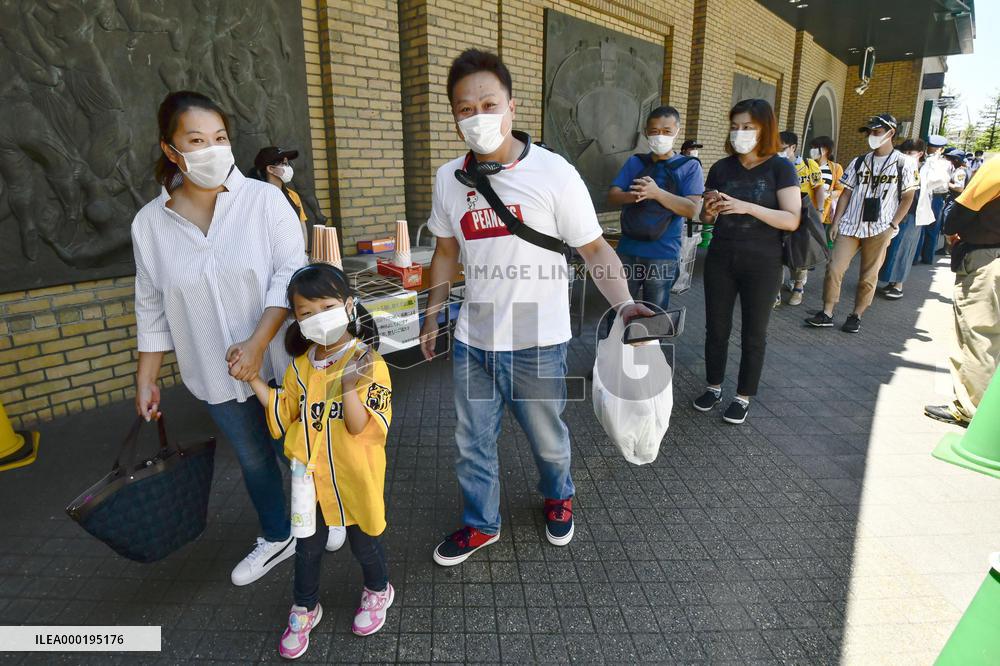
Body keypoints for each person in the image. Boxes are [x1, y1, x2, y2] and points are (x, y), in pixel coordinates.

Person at [419, 49, 653, 565]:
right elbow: (445, 251)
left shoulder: (554, 173)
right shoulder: (447, 180)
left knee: (547, 438)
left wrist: (628, 307)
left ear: (511, 107)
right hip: (473, 337)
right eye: (464, 108)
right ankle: (481, 524)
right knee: (471, 442)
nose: (476, 116)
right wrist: (434, 313)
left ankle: (559, 495)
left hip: (538, 337)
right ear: (453, 115)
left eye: (488, 103)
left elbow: (594, 248)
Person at [131, 91, 340, 589]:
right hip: (212, 372)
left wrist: (255, 342)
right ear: (171, 149)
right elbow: (151, 304)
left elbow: (289, 273)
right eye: (196, 140)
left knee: (301, 446)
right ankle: (278, 534)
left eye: (220, 138)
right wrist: (147, 378)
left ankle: (330, 513)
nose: (212, 149)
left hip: (282, 361)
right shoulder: (149, 225)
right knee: (253, 459)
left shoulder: (265, 201)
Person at [246, 263, 394, 656]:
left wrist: (348, 384)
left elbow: (362, 425)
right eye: (305, 313)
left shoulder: (368, 362)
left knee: (364, 543)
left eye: (326, 306)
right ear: (296, 319)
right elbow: (285, 412)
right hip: (307, 481)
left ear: (348, 305)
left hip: (353, 477)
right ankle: (305, 606)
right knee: (307, 548)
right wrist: (253, 379)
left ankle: (379, 589)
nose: (316, 318)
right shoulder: (300, 366)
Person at [694, 99, 801, 424]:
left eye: (748, 127)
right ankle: (713, 387)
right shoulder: (721, 168)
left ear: (764, 129)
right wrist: (708, 212)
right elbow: (705, 216)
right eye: (735, 126)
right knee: (716, 327)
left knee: (754, 333)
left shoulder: (780, 168)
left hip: (764, 261)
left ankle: (742, 395)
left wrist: (748, 207)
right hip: (722, 256)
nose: (740, 133)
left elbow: (791, 219)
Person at [805, 114, 917, 333]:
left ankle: (856, 315)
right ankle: (827, 312)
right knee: (834, 267)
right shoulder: (859, 161)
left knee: (868, 275)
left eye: (876, 132)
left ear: (890, 133)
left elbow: (908, 197)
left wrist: (894, 225)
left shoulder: (905, 163)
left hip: (880, 226)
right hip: (851, 224)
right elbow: (846, 193)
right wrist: (836, 222)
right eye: (870, 132)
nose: (872, 137)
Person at [603, 105, 703, 326]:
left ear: (677, 131)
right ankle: (611, 355)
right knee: (617, 309)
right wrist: (637, 195)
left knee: (654, 315)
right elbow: (613, 195)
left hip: (663, 252)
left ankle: (648, 358)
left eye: (667, 131)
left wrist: (657, 193)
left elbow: (691, 209)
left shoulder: (689, 167)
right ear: (646, 132)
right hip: (627, 249)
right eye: (654, 131)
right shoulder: (636, 162)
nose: (660, 136)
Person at [925, 156, 1000, 427]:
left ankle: (971, 409)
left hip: (988, 258)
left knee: (979, 335)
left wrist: (951, 230)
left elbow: (958, 215)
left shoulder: (997, 166)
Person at [878, 139, 940, 299]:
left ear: (920, 154)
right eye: (904, 152)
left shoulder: (926, 170)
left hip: (913, 215)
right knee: (892, 247)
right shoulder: (900, 167)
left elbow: (940, 180)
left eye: (910, 153)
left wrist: (933, 161)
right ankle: (891, 281)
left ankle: (898, 284)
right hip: (896, 213)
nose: (906, 155)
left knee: (904, 248)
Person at [779, 130, 825, 306]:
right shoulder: (774, 165)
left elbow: (819, 188)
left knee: (800, 251)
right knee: (777, 252)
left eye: (782, 148)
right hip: (778, 214)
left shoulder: (808, 165)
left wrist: (820, 211)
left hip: (801, 215)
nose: (779, 152)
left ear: (793, 147)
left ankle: (798, 287)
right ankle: (775, 290)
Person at [251, 146, 310, 250]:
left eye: (288, 164)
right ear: (270, 169)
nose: (288, 168)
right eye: (284, 164)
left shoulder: (293, 195)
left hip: (294, 256)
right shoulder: (256, 197)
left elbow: (302, 228)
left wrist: (304, 253)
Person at [915, 135, 953, 264]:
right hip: (937, 197)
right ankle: (928, 257)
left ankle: (914, 257)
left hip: (924, 194)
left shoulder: (922, 161)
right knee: (932, 229)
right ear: (941, 149)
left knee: (920, 227)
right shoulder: (946, 164)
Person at [808, 135, 845, 244]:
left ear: (824, 150)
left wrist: (829, 194)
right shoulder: (807, 165)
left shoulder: (835, 168)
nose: (812, 150)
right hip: (807, 209)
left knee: (818, 243)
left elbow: (841, 190)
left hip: (823, 212)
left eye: (815, 147)